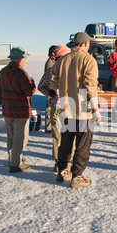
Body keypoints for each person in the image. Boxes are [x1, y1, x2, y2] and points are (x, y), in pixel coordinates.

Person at [51, 32, 101, 189]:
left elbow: (53, 83)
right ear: (86, 44)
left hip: (67, 107)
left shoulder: (63, 59)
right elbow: (90, 86)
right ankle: (77, 176)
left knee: (66, 140)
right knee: (83, 144)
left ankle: (63, 170)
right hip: (84, 110)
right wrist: (96, 109)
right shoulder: (88, 60)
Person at [0, 47, 36, 173]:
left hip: (7, 110)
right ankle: (15, 164)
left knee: (11, 137)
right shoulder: (20, 73)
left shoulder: (3, 72)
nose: (25, 60)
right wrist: (33, 85)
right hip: (20, 111)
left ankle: (12, 159)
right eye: (24, 57)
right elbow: (29, 91)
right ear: (19, 59)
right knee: (20, 139)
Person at [38, 44, 74, 174]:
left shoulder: (50, 70)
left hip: (55, 107)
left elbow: (41, 87)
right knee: (70, 136)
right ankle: (68, 163)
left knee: (57, 137)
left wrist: (51, 94)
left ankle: (59, 162)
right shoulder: (72, 71)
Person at [44, 45, 57, 133]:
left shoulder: (53, 62)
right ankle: (48, 127)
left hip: (52, 88)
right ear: (52, 53)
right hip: (50, 88)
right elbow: (49, 77)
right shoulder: (50, 63)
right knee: (49, 108)